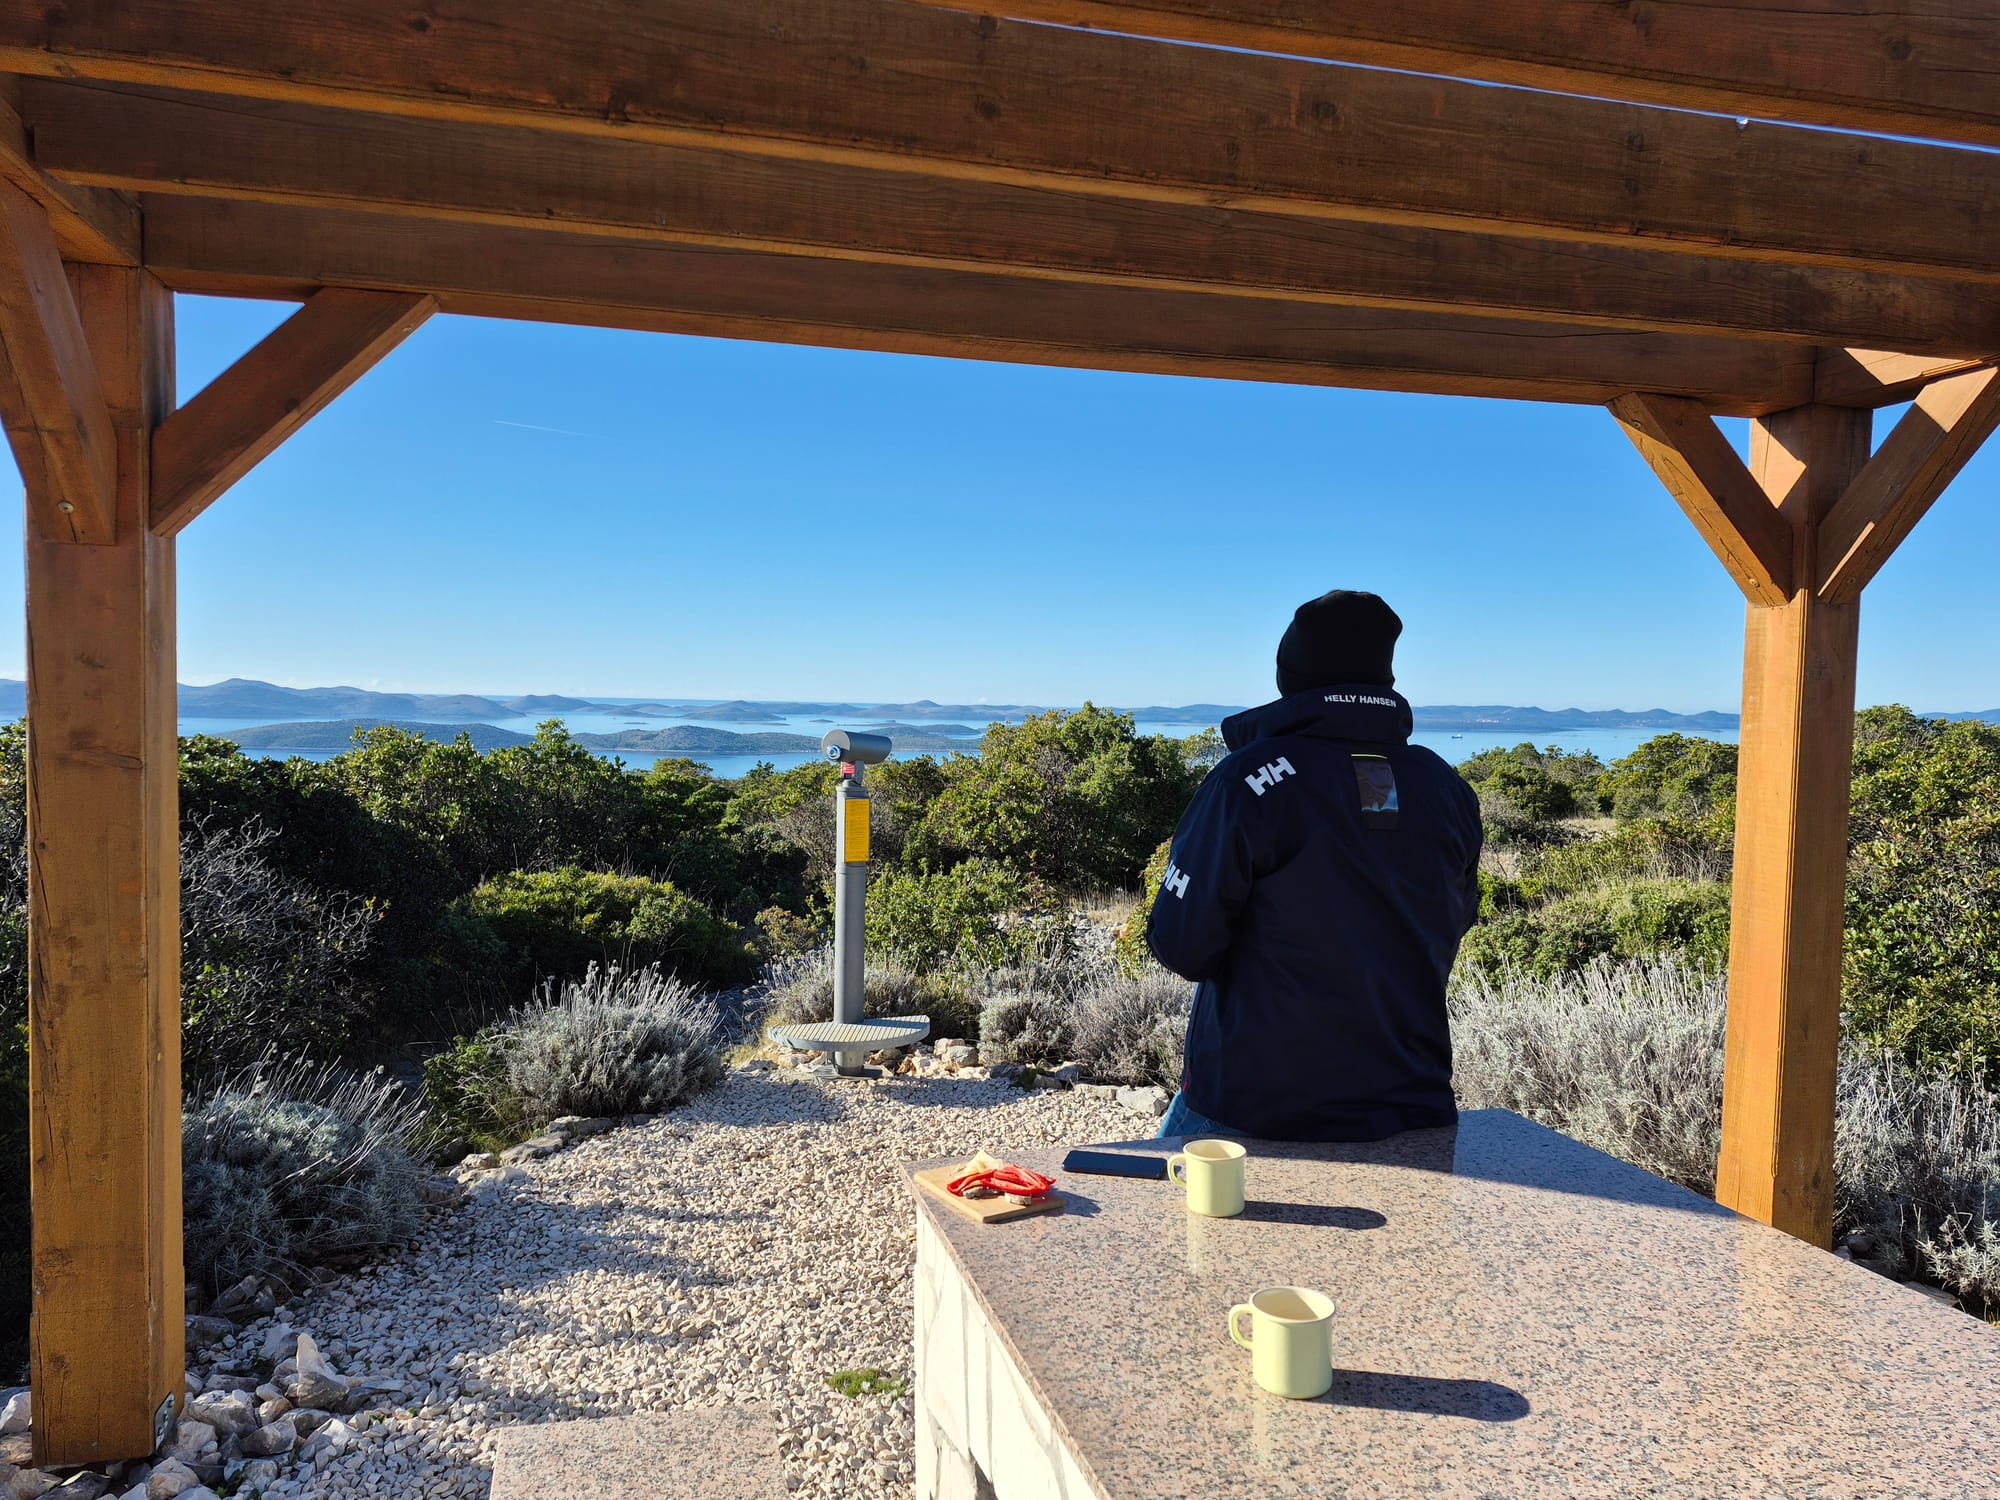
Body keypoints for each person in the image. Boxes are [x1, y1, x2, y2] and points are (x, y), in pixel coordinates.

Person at [1146, 589, 1483, 1141]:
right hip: (1411, 1104)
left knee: (1192, 1227)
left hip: (1252, 1105)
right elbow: (1454, 920)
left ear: (1291, 675)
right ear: (1384, 679)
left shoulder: (1248, 781)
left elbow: (1183, 945)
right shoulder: (1447, 788)